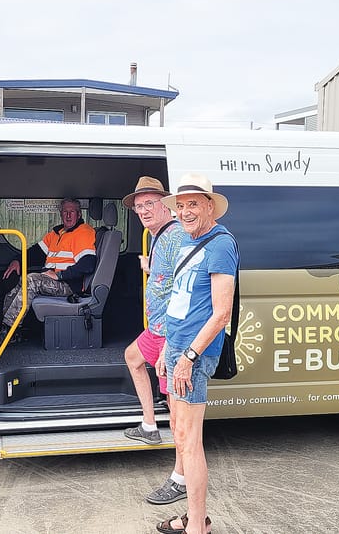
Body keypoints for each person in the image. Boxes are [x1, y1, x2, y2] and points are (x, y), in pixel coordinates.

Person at [155, 174, 237, 534]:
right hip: (177, 348)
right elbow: (181, 300)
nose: (185, 212)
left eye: (193, 204)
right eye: (181, 205)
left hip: (194, 354)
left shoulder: (220, 245)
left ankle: (196, 526)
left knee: (190, 441)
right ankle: (194, 517)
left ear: (209, 206)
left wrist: (187, 357)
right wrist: (167, 350)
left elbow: (221, 313)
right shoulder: (194, 240)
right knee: (179, 430)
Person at [120, 177, 190, 505]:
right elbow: (168, 276)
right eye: (139, 207)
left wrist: (169, 345)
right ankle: (149, 425)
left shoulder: (175, 235)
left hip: (170, 334)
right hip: (158, 330)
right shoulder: (158, 235)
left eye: (150, 204)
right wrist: (152, 269)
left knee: (178, 412)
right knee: (132, 357)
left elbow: (185, 287)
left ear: (166, 205)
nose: (144, 211)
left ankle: (181, 477)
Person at [0, 197, 96, 334]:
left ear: (79, 214)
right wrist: (18, 261)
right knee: (18, 280)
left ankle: (9, 332)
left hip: (68, 284)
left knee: (31, 280)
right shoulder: (56, 234)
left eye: (72, 212)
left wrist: (59, 275)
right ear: (61, 214)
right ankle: (5, 328)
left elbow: (88, 264)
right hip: (51, 279)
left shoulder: (84, 232)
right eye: (65, 212)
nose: (68, 215)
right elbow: (35, 253)